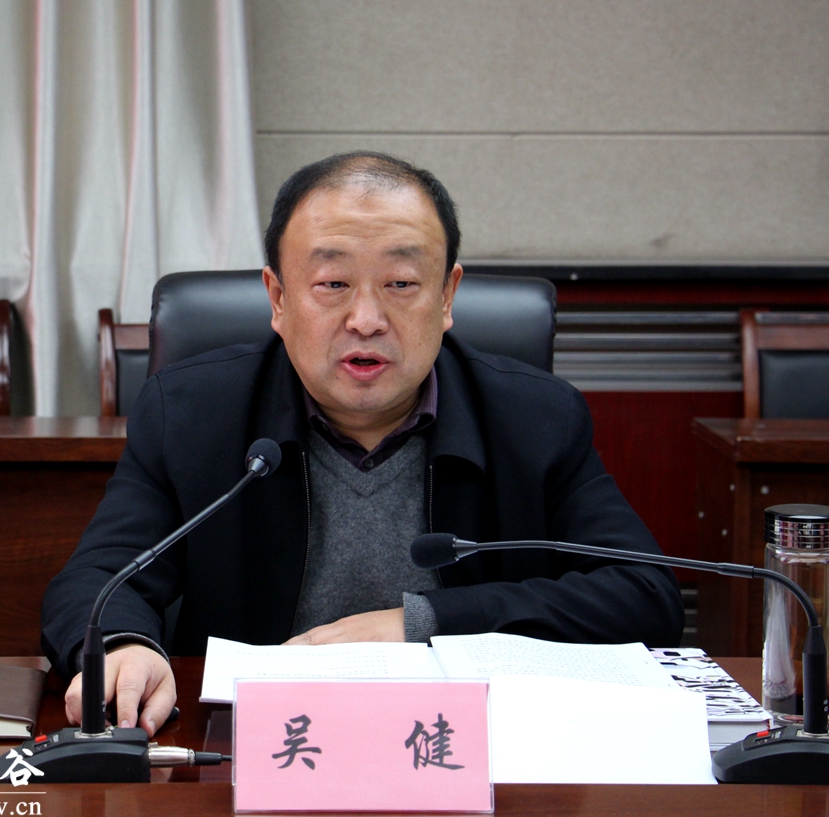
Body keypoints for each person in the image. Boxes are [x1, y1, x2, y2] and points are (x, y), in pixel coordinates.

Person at [41, 151, 684, 736]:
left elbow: (644, 594)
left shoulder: (535, 417)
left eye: (401, 283)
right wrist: (123, 645)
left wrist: (422, 625)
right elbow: (97, 578)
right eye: (333, 284)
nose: (367, 320)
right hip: (254, 749)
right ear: (278, 298)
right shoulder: (191, 413)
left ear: (447, 296)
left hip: (469, 748)